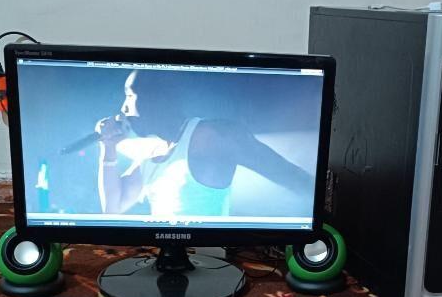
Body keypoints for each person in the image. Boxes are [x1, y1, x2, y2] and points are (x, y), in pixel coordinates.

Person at [94, 70, 314, 216]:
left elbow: (291, 176)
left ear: (156, 98)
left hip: (209, 258)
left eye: (130, 96)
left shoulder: (211, 135)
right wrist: (108, 148)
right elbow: (113, 208)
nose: (123, 108)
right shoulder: (152, 155)